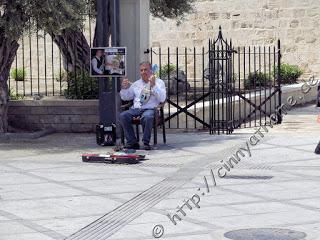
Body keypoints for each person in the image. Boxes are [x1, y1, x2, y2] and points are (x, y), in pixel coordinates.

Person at [119, 62, 166, 150]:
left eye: (146, 69)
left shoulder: (159, 82)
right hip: (136, 109)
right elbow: (125, 97)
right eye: (141, 70)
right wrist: (124, 88)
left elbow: (162, 99)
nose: (143, 72)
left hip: (151, 109)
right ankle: (132, 142)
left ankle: (146, 142)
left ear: (151, 70)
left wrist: (154, 86)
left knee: (147, 117)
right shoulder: (136, 84)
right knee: (123, 116)